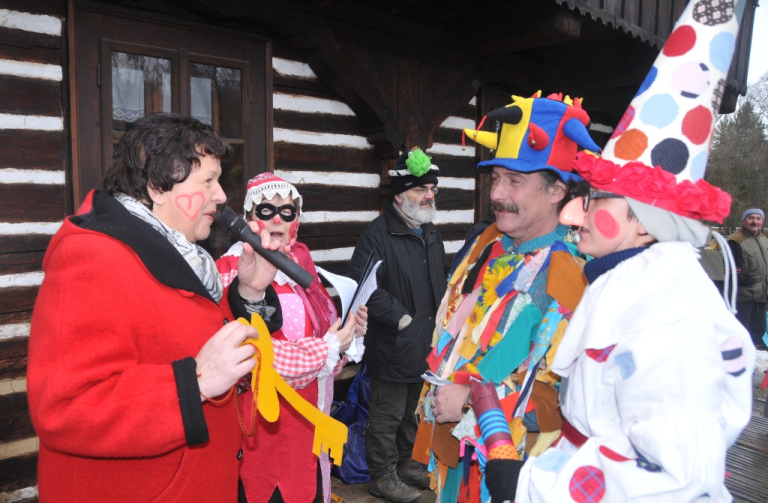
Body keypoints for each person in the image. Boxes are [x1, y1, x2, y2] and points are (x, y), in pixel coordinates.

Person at [489, 4, 755, 500]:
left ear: (643, 220)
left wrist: (534, 485)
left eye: (592, 202)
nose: (573, 215)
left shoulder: (669, 321)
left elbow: (673, 473)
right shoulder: (635, 282)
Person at [26, 112, 274, 502]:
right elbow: (65, 407)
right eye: (208, 180)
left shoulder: (184, 254)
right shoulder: (90, 257)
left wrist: (250, 294)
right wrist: (192, 383)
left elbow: (188, 335)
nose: (222, 196)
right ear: (158, 186)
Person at [419, 92, 601, 503]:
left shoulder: (573, 276)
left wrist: (471, 404)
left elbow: (567, 400)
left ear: (557, 191)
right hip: (458, 462)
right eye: (496, 177)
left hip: (521, 475)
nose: (497, 193)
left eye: (514, 181)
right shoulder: (487, 245)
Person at [215, 172, 368, 503]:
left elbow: (329, 356)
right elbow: (251, 357)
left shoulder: (301, 268)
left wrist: (347, 336)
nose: (277, 219)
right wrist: (326, 347)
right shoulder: (228, 268)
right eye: (266, 210)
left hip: (305, 423)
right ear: (249, 218)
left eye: (287, 212)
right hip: (255, 422)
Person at [345, 148, 446, 503]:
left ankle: (406, 464)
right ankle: (382, 475)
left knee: (412, 411)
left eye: (432, 188)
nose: (429, 195)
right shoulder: (377, 234)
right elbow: (365, 288)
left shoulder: (430, 231)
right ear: (401, 195)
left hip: (426, 341)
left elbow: (440, 281)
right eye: (421, 190)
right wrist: (402, 319)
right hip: (393, 341)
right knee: (387, 414)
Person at [728, 208, 768, 350]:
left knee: (758, 331)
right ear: (744, 221)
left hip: (761, 296)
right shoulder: (735, 241)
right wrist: (751, 281)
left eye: (758, 218)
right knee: (741, 334)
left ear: (762, 221)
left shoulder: (764, 240)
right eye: (751, 218)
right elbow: (732, 270)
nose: (755, 221)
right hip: (743, 298)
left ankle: (750, 362)